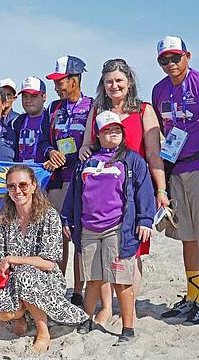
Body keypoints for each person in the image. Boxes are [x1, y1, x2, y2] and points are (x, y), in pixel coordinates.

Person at [78, 58, 169, 323]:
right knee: (103, 253)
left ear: (129, 82)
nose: (114, 85)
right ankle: (106, 307)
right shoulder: (97, 110)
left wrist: (161, 190)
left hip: (134, 191)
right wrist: (85, 150)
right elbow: (87, 145)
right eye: (109, 81)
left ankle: (128, 308)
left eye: (119, 80)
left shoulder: (143, 110)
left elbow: (153, 153)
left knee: (132, 251)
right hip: (102, 193)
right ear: (102, 85)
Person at [149, 37, 199, 324]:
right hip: (177, 170)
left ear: (188, 56)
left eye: (175, 58)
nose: (170, 64)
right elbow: (162, 129)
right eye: (164, 60)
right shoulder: (159, 90)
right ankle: (193, 297)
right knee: (187, 237)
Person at [63, 111, 155, 345]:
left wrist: (145, 220)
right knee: (92, 278)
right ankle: (87, 319)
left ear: (122, 133)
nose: (112, 133)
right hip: (88, 228)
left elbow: (145, 192)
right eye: (106, 130)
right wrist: (67, 218)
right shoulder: (86, 161)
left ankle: (128, 328)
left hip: (117, 229)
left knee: (121, 280)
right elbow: (74, 193)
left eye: (116, 129)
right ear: (98, 134)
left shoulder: (132, 160)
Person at [0, 164, 88, 353]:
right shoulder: (2, 218)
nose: (17, 190)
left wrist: (14, 259)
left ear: (34, 186)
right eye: (11, 186)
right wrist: (10, 263)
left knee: (25, 274)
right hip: (14, 280)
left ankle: (43, 332)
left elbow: (49, 262)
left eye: (22, 185)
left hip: (46, 279)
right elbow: (1, 260)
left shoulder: (49, 216)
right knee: (4, 312)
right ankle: (21, 316)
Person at [41, 55, 94, 307]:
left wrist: (69, 157)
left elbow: (96, 144)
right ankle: (57, 285)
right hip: (57, 181)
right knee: (57, 237)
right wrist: (51, 152)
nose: (56, 86)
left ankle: (78, 290)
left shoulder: (93, 106)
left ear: (74, 80)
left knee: (80, 238)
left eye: (60, 81)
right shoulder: (52, 109)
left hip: (82, 182)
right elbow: (43, 141)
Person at [11, 77, 48, 163]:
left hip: (45, 173)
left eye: (34, 96)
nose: (28, 100)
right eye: (25, 96)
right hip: (22, 172)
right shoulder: (16, 122)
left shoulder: (51, 119)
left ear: (44, 97)